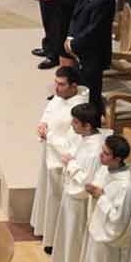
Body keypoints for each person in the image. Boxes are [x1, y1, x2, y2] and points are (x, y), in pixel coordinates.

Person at [49, 102, 103, 262]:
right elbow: (72, 154)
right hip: (70, 195)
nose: (72, 124)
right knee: (66, 239)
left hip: (79, 201)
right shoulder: (85, 138)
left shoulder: (95, 150)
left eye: (75, 122)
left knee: (73, 243)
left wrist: (70, 164)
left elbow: (87, 182)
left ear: (87, 125)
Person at [30, 65, 83, 250]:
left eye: (61, 84)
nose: (56, 88)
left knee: (56, 200)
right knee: (47, 194)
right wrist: (43, 125)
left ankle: (53, 241)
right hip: (49, 152)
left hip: (60, 160)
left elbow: (72, 142)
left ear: (74, 86)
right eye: (55, 83)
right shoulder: (59, 97)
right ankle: (43, 229)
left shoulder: (79, 109)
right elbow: (49, 111)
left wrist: (49, 136)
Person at [79, 135, 131, 262]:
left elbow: (119, 221)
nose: (100, 155)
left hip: (109, 246)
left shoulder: (125, 187)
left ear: (117, 159)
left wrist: (101, 196)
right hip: (96, 232)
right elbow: (99, 185)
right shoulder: (106, 169)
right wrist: (93, 189)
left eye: (105, 153)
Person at [65, 0, 116, 110]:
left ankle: (92, 126)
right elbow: (77, 12)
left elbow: (95, 29)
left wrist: (74, 44)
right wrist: (70, 37)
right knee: (80, 89)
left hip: (93, 52)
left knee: (90, 94)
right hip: (80, 44)